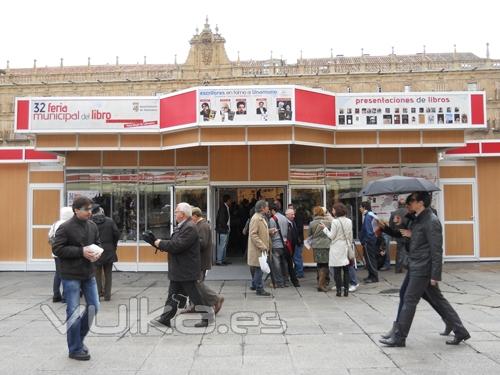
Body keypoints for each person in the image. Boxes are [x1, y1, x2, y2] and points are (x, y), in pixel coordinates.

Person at [379, 192, 470, 347]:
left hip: (422, 267)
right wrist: (406, 231)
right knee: (437, 300)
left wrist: (435, 275)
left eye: (412, 201)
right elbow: (415, 238)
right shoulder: (418, 218)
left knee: (409, 300)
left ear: (420, 203)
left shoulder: (431, 221)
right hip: (415, 264)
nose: (409, 204)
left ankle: (400, 337)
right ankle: (460, 331)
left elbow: (436, 250)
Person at [142, 202, 213, 328]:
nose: (174, 214)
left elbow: (177, 246)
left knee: (195, 296)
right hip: (180, 268)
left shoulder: (190, 227)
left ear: (183, 214)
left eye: (176, 212)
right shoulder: (183, 226)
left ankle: (207, 317)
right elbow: (174, 244)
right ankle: (165, 319)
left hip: (186, 269)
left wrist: (158, 242)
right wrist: (154, 241)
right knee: (173, 295)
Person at [52, 197, 102, 361]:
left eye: (90, 209)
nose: (90, 212)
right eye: (86, 209)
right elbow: (57, 249)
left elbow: (97, 243)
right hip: (71, 275)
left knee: (94, 306)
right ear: (76, 210)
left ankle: (78, 341)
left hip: (89, 273)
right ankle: (75, 349)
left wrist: (96, 254)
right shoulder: (65, 227)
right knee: (72, 312)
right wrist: (81, 252)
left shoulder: (92, 226)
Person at [191, 207, 224, 314]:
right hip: (198, 260)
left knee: (197, 283)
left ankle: (216, 298)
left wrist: (189, 243)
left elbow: (202, 243)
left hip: (200, 260)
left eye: (191, 217)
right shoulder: (200, 225)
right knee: (195, 284)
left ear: (195, 216)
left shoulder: (203, 226)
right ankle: (196, 306)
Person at [321, 203, 352, 297]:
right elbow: (350, 235)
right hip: (346, 246)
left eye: (333, 210)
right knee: (346, 270)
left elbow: (332, 236)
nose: (332, 211)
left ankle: (339, 291)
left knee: (337, 271)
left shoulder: (335, 222)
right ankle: (346, 290)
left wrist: (325, 229)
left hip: (337, 247)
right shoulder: (349, 221)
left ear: (336, 211)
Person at [91, 205, 120, 301]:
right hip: (109, 250)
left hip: (96, 250)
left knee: (97, 274)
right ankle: (107, 295)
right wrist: (113, 244)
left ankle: (98, 294)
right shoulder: (109, 221)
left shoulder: (90, 222)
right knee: (108, 274)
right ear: (101, 211)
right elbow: (116, 234)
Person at [48, 206, 73, 303]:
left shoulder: (55, 224)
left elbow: (50, 236)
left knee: (58, 273)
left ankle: (56, 294)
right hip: (66, 252)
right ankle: (65, 296)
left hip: (56, 252)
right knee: (67, 273)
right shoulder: (69, 224)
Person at [247, 200, 272, 296]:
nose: (268, 208)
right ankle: (259, 289)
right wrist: (262, 246)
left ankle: (254, 285)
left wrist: (269, 231)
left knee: (258, 268)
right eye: (267, 206)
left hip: (260, 249)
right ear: (262, 208)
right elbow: (253, 234)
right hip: (258, 249)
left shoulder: (260, 217)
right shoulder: (256, 218)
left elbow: (260, 231)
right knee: (259, 269)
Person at [308, 206, 332, 292]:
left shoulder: (312, 223)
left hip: (316, 246)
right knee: (325, 264)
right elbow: (331, 233)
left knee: (319, 264)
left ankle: (319, 281)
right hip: (326, 245)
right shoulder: (328, 222)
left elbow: (309, 234)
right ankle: (323, 283)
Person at [359, 201, 379, 283]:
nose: (359, 209)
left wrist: (365, 241)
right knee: (370, 259)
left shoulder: (367, 216)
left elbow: (369, 231)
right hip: (372, 240)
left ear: (364, 208)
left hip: (368, 242)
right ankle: (371, 275)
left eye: (360, 207)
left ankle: (374, 277)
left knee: (370, 260)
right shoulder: (371, 214)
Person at [389, 198, 409, 273]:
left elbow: (391, 225)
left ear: (398, 205)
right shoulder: (409, 212)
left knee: (399, 251)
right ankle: (407, 266)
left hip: (398, 234)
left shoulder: (394, 213)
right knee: (408, 251)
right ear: (405, 205)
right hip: (407, 234)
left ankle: (398, 268)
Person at [215, 194, 232, 265]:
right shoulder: (223, 207)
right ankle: (219, 260)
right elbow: (222, 220)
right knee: (222, 245)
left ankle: (223, 259)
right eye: (230, 200)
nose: (231, 201)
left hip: (224, 229)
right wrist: (226, 228)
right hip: (223, 230)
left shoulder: (225, 207)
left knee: (224, 245)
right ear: (227, 200)